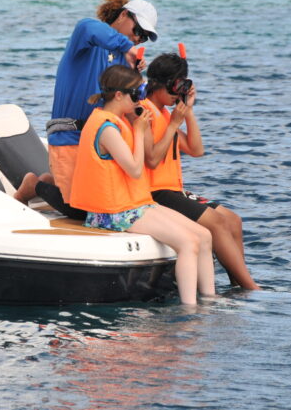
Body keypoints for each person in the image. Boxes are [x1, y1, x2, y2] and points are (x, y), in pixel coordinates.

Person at [69, 64, 215, 305]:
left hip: (133, 204)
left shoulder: (120, 120)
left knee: (204, 235)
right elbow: (135, 169)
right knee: (188, 242)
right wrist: (139, 131)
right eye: (136, 94)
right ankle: (191, 309)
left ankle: (210, 300)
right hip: (113, 212)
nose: (140, 98)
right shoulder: (106, 128)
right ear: (118, 95)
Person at [141, 53, 259, 290]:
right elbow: (151, 160)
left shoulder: (165, 112)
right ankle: (251, 288)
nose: (177, 95)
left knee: (233, 220)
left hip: (174, 189)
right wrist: (175, 123)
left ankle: (238, 284)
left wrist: (189, 112)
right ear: (158, 85)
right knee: (216, 222)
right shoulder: (146, 112)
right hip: (155, 191)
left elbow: (196, 150)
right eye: (175, 89)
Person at [37, 0, 157, 216]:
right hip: (69, 136)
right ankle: (34, 185)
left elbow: (126, 103)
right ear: (123, 15)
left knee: (102, 206)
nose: (138, 39)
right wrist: (127, 47)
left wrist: (137, 78)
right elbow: (87, 27)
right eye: (138, 31)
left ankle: (50, 180)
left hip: (100, 142)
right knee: (80, 211)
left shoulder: (124, 60)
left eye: (144, 38)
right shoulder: (87, 40)